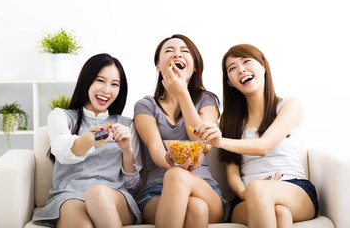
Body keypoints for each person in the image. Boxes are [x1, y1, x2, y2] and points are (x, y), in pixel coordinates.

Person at [194, 44, 319, 227]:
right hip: (246, 195)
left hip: (293, 187)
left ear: (263, 66)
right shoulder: (230, 120)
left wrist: (221, 141)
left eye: (246, 61)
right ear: (229, 81)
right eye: (232, 68)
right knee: (280, 213)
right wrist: (248, 194)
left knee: (263, 193)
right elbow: (232, 173)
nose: (241, 69)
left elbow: (264, 146)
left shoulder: (289, 105)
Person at [33, 53, 142, 227]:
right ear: (86, 81)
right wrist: (86, 141)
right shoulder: (61, 116)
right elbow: (62, 151)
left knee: (97, 193)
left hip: (113, 197)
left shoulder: (127, 125)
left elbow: (133, 188)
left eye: (114, 84)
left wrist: (127, 151)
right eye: (100, 81)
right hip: (70, 195)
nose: (107, 89)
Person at [134, 34, 226, 228]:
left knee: (180, 178)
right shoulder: (145, 106)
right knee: (196, 208)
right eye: (169, 51)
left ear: (194, 67)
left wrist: (183, 94)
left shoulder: (207, 100)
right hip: (157, 192)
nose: (177, 54)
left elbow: (204, 144)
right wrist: (175, 165)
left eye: (184, 51)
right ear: (158, 66)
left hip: (205, 189)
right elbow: (156, 149)